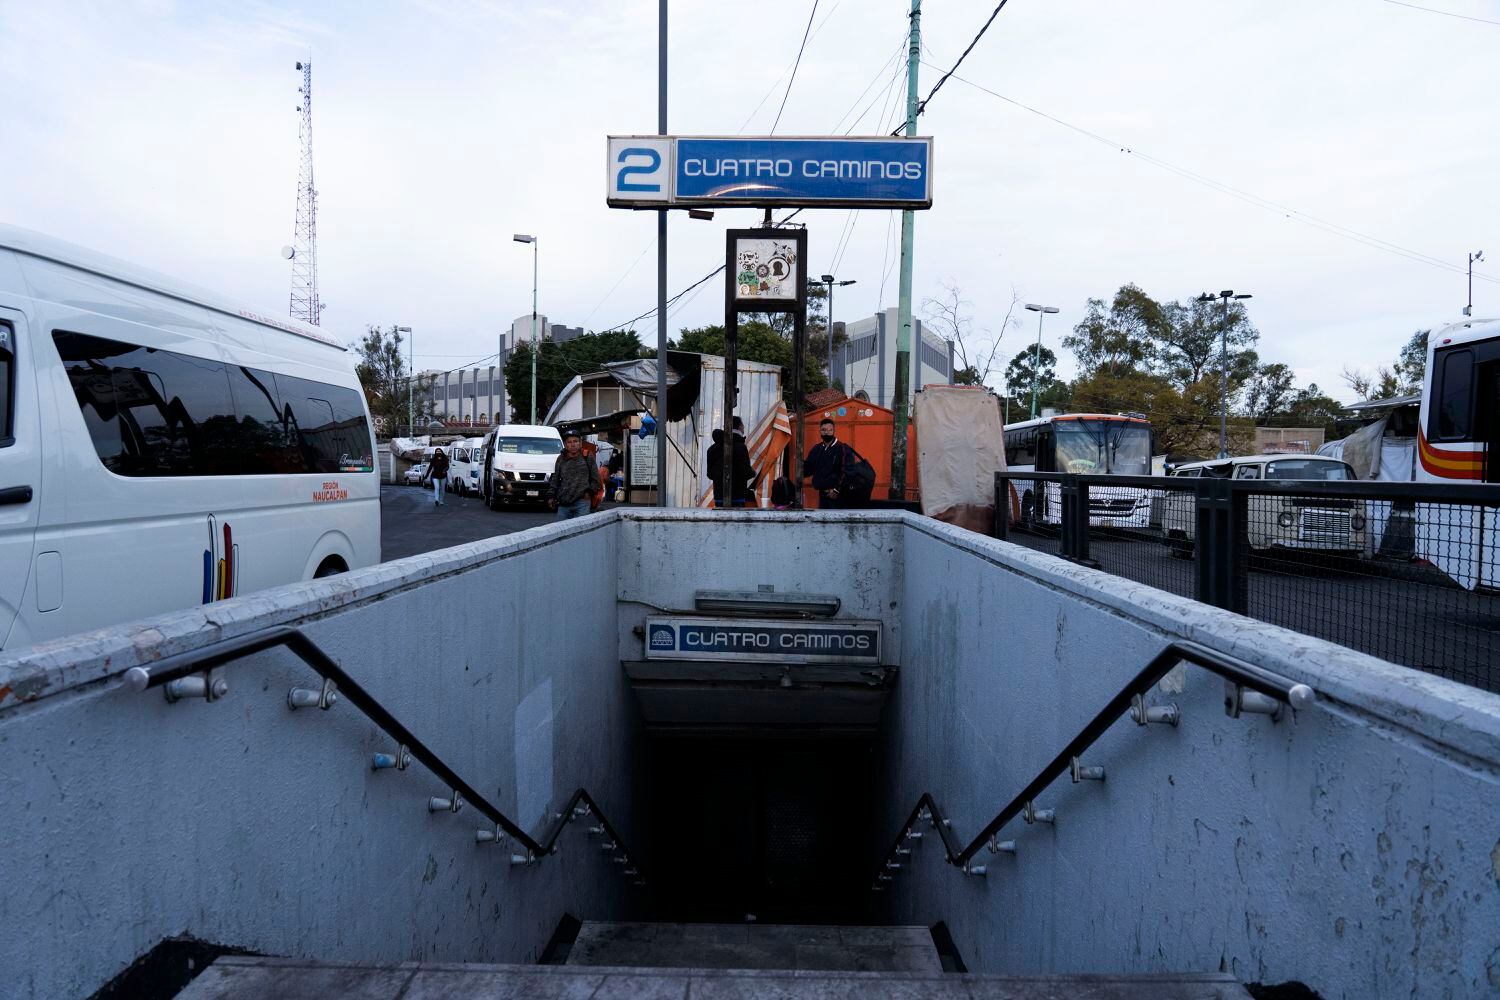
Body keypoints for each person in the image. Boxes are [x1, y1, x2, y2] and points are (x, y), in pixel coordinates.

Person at [548, 428, 599, 521]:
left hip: (582, 502)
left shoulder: (587, 456)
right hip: (563, 503)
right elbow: (555, 479)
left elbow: (596, 478)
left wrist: (589, 493)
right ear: (565, 444)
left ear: (580, 443)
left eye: (575, 441)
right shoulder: (560, 459)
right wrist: (551, 496)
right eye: (569, 442)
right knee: (561, 531)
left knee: (580, 531)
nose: (573, 444)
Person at [802, 418, 849, 509]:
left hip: (838, 496)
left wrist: (836, 491)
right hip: (822, 495)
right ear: (820, 431)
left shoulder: (842, 449)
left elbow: (847, 472)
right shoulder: (817, 449)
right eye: (824, 430)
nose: (826, 432)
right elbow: (809, 469)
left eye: (829, 430)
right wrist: (800, 463)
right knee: (823, 522)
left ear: (834, 430)